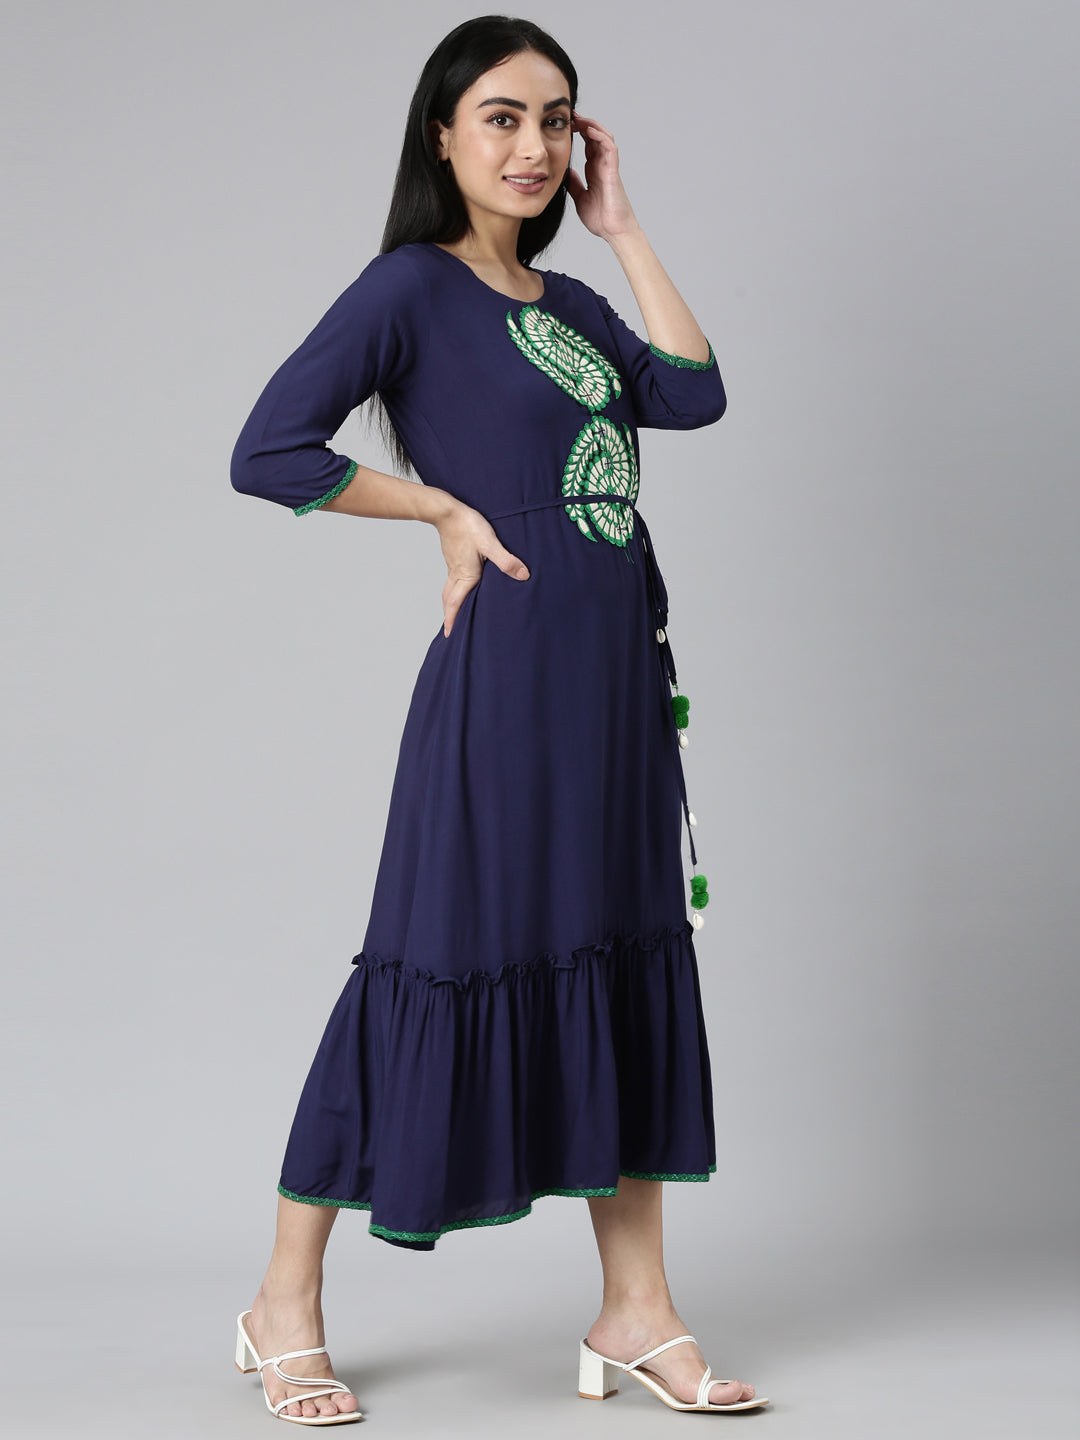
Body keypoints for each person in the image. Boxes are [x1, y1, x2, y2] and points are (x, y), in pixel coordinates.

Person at [229, 14, 767, 1426]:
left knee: (622, 955)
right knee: (430, 962)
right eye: (503, 118)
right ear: (443, 136)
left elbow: (695, 394)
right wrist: (438, 508)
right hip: (506, 682)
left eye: (556, 119)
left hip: (616, 687)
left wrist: (623, 228)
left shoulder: (574, 304)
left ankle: (637, 1310)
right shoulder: (407, 288)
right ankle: (284, 1301)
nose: (533, 146)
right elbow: (266, 450)